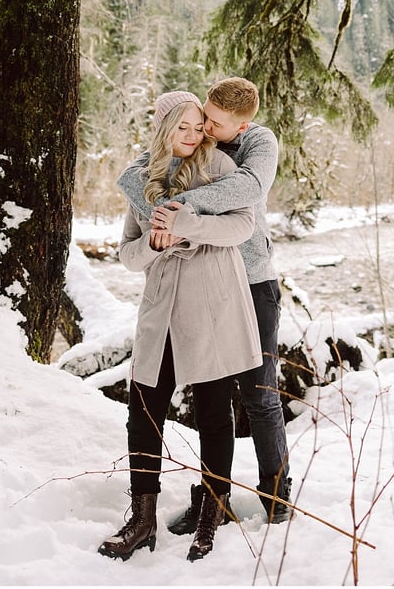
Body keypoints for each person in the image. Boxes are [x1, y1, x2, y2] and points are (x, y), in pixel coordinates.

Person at [117, 76, 292, 530]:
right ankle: (211, 497)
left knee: (258, 393)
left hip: (252, 281)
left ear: (242, 123)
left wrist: (176, 210)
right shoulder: (192, 140)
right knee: (208, 395)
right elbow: (145, 168)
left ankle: (276, 494)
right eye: (200, 120)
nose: (205, 130)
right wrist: (146, 190)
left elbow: (247, 192)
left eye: (213, 123)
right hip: (201, 286)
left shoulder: (257, 143)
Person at [98, 90, 262, 564]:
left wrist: (190, 225)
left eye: (197, 126)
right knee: (144, 411)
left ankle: (212, 511)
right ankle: (143, 519)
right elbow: (128, 255)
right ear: (163, 128)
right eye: (181, 127)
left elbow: (242, 229)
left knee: (214, 411)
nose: (192, 135)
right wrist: (153, 242)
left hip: (211, 305)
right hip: (160, 309)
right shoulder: (144, 183)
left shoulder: (220, 172)